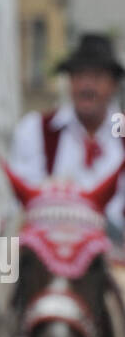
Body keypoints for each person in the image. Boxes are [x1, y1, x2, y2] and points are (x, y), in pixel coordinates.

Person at [8, 32, 125, 233]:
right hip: (48, 245)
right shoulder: (35, 129)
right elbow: (24, 203)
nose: (87, 86)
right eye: (79, 76)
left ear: (113, 84)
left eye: (96, 77)